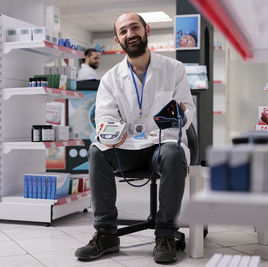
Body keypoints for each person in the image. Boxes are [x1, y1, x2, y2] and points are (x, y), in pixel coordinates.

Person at [75, 12, 196, 264]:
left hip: (160, 145)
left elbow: (188, 110)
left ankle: (165, 233)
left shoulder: (174, 69)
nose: (130, 34)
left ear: (146, 30)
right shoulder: (110, 79)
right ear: (118, 39)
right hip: (126, 146)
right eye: (123, 31)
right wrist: (111, 131)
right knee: (97, 151)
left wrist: (179, 115)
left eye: (134, 28)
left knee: (173, 153)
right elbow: (105, 118)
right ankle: (106, 232)